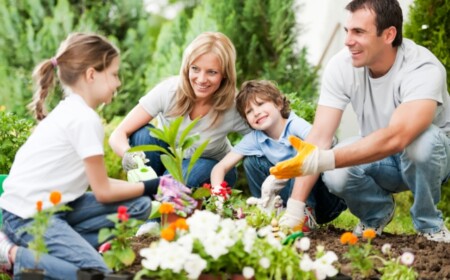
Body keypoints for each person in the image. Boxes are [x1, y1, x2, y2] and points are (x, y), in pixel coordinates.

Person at [270, 0, 450, 243]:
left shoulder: (422, 67)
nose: (347, 40)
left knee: (421, 144)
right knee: (336, 173)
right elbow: (320, 138)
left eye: (358, 32)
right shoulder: (342, 66)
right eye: (347, 31)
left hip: (433, 157)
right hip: (381, 155)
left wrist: (325, 159)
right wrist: (295, 206)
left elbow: (399, 136)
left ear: (388, 34)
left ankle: (429, 225)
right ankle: (376, 215)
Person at [0, 33, 157, 278]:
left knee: (140, 205)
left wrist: (151, 188)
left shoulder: (74, 110)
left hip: (57, 208)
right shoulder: (83, 119)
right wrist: (155, 184)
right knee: (97, 273)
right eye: (114, 74)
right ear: (91, 74)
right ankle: (16, 256)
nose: (118, 83)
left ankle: (56, 259)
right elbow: (103, 191)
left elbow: (100, 183)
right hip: (27, 217)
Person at [109, 32, 250, 189]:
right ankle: (152, 192)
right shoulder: (169, 91)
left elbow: (258, 139)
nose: (201, 79)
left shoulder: (233, 105)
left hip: (210, 167)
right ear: (186, 67)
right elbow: (117, 134)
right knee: (142, 135)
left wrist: (229, 161)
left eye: (212, 72)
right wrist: (129, 154)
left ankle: (157, 199)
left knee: (180, 180)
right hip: (169, 162)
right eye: (195, 69)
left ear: (225, 74)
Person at [211, 80, 346, 228]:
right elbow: (220, 167)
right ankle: (267, 208)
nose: (256, 112)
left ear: (279, 104)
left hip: (325, 201)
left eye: (261, 104)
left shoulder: (294, 125)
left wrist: (280, 175)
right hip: (290, 197)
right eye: (249, 111)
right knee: (251, 162)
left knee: (303, 158)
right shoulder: (256, 138)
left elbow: (322, 144)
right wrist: (219, 195)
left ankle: (305, 214)